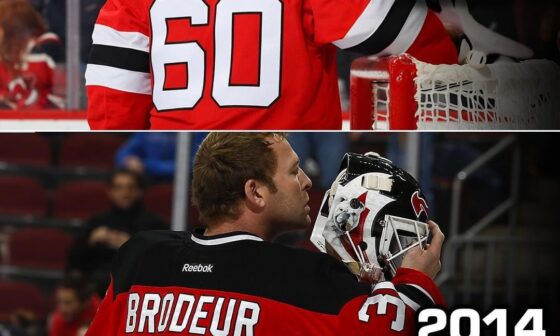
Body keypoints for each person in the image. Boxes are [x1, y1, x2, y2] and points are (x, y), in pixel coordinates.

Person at [86, 133, 445, 335]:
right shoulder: (307, 279)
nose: (306, 181)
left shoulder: (141, 255)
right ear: (255, 192)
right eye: (294, 171)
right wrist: (417, 282)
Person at [85, 1, 458, 129]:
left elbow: (111, 104)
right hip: (285, 141)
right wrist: (449, 48)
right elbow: (377, 25)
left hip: (190, 149)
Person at [67, 169, 167, 296]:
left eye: (130, 187)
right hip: (97, 288)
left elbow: (161, 261)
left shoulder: (154, 223)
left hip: (137, 288)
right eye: (119, 188)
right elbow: (74, 259)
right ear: (110, 191)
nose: (125, 193)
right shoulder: (97, 221)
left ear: (139, 191)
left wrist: (131, 245)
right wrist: (91, 241)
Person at [0, 0, 62, 110]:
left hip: (48, 121)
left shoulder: (46, 46)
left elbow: (62, 95)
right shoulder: (4, 57)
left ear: (11, 27)